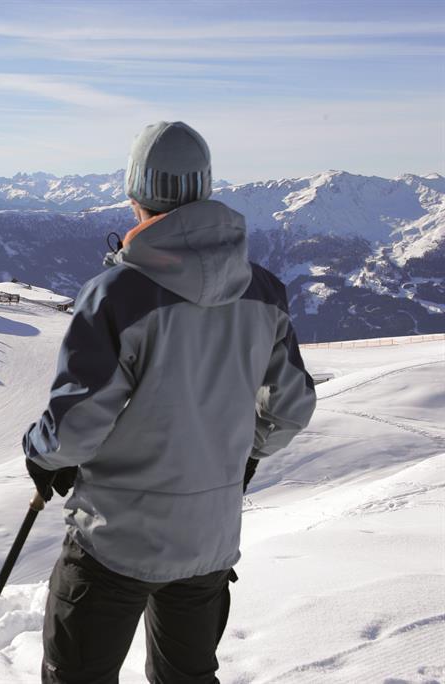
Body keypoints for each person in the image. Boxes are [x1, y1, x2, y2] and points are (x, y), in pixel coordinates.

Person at [23, 121, 316, 684]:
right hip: (208, 540)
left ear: (135, 194)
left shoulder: (116, 294)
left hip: (115, 538)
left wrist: (41, 453)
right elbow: (291, 406)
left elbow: (76, 426)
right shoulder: (263, 291)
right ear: (205, 189)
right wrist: (247, 453)